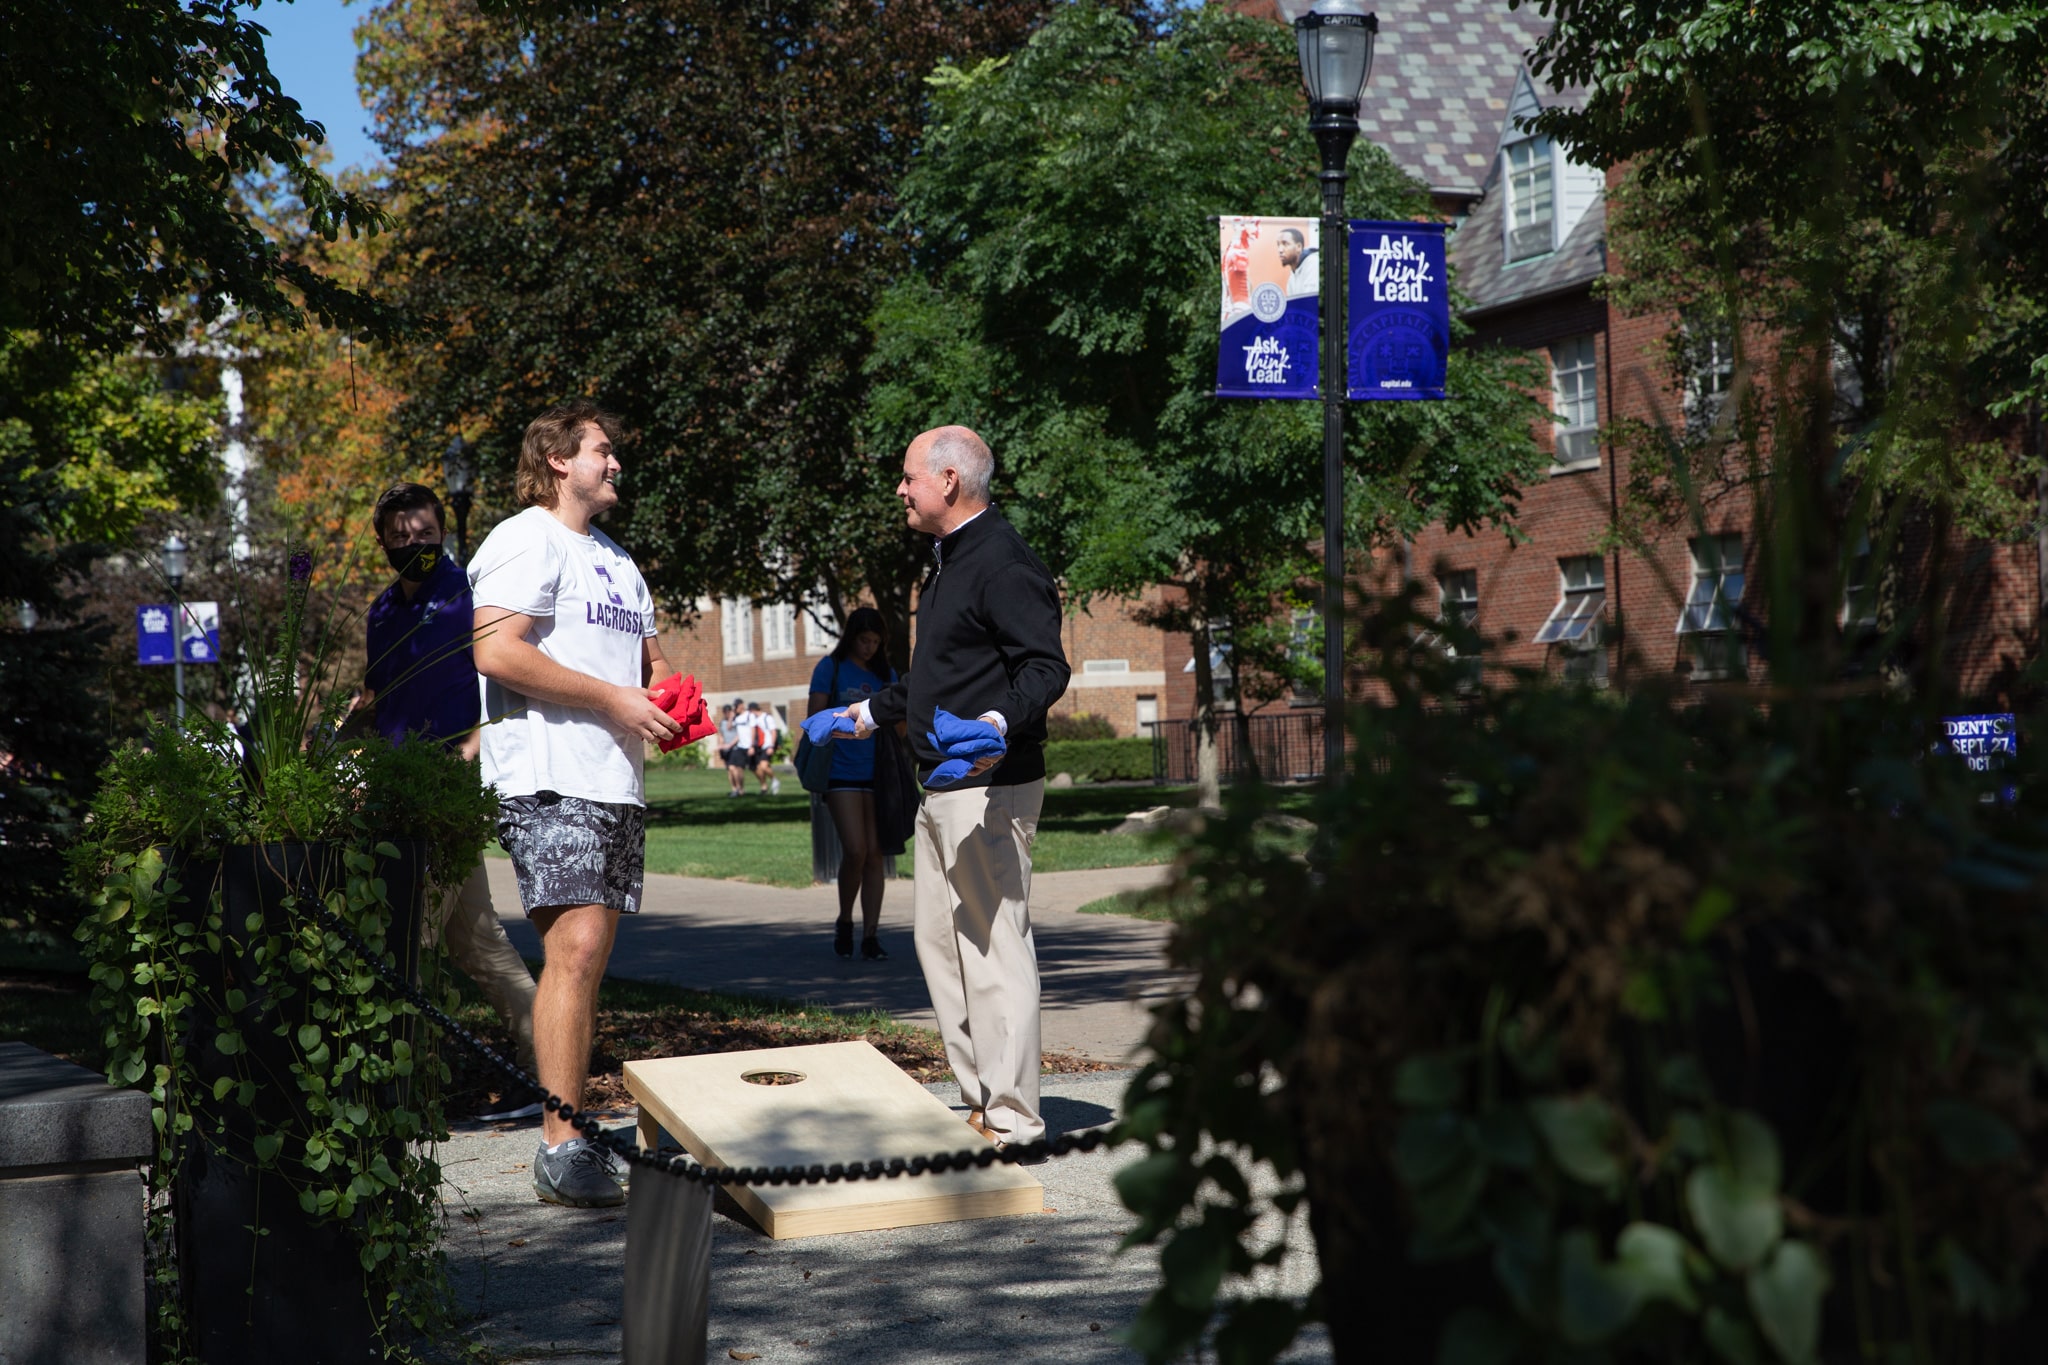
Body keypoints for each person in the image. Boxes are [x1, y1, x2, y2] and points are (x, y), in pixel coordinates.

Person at [468, 400, 681, 1209]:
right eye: (602, 449)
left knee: (587, 960)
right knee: (579, 945)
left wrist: (670, 698)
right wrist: (612, 700)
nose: (615, 462)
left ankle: (575, 1128)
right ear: (558, 459)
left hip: (614, 778)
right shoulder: (526, 538)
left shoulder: (619, 558)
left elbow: (650, 661)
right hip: (549, 772)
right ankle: (560, 1147)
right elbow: (496, 647)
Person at [848, 426, 1070, 1153]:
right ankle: (980, 1099)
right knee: (940, 941)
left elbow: (1045, 668)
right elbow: (938, 678)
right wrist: (866, 712)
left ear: (948, 480)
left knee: (993, 943)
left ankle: (1014, 1115)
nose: (901, 490)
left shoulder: (1003, 561)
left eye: (909, 477)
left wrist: (997, 724)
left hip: (990, 786)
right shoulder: (948, 563)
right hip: (940, 788)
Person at [358, 482, 540, 1100]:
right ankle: (546, 1060)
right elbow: (380, 695)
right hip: (393, 792)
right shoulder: (381, 613)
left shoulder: (471, 596)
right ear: (383, 540)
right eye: (401, 537)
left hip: (449, 791)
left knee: (414, 937)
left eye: (426, 535)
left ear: (443, 533)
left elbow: (501, 678)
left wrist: (474, 749)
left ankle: (400, 1080)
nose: (414, 545)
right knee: (474, 937)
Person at [806, 606, 899, 960]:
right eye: (864, 640)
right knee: (856, 850)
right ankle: (845, 920)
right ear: (851, 637)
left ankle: (871, 935)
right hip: (840, 773)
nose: (869, 647)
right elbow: (815, 719)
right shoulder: (830, 669)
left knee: (876, 854)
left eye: (875, 641)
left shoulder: (885, 674)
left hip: (877, 774)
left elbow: (900, 724)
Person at [748, 700, 783, 795]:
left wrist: (771, 746)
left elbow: (773, 732)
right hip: (757, 746)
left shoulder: (767, 718)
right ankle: (764, 786)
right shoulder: (754, 719)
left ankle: (774, 780)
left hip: (767, 745)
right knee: (757, 768)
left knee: (764, 766)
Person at [1279, 226, 1319, 299]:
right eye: (1278, 245)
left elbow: (1310, 302)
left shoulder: (1312, 263)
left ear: (1299, 247)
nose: (1280, 250)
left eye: (1285, 244)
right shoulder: (1291, 277)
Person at [715, 702, 746, 796]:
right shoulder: (722, 722)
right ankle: (734, 788)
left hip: (735, 748)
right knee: (730, 769)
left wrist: (730, 745)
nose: (727, 714)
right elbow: (721, 734)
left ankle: (739, 788)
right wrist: (721, 745)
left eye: (729, 712)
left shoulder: (736, 721)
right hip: (726, 749)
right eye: (726, 712)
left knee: (736, 768)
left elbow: (738, 735)